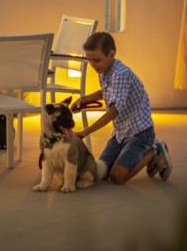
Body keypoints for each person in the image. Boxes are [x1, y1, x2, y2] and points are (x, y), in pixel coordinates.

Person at [70, 32, 171, 184]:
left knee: (117, 177)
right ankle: (136, 153)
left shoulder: (121, 74)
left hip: (140, 133)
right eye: (89, 60)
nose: (92, 65)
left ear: (111, 54)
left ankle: (154, 150)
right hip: (121, 132)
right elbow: (107, 91)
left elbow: (114, 111)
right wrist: (84, 99)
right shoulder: (104, 70)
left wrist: (86, 132)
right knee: (101, 173)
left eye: (96, 60)